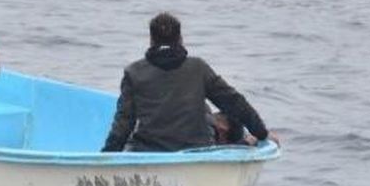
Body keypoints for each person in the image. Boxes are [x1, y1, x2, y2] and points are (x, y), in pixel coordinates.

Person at [101, 13, 277, 153]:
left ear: (151, 40)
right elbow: (233, 102)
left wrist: (106, 158)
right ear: (180, 39)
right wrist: (261, 133)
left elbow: (123, 124)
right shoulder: (198, 68)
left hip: (149, 151)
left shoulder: (134, 73)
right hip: (196, 151)